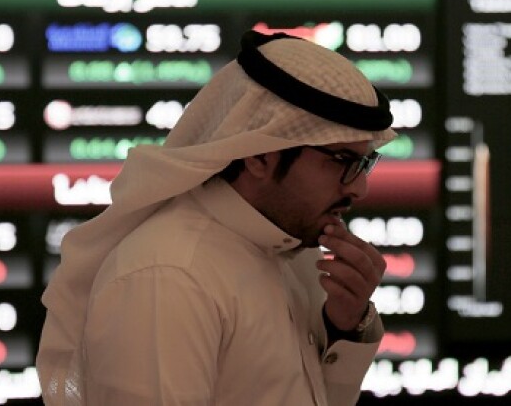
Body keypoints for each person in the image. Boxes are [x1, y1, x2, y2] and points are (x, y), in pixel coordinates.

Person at [36, 30, 397, 406]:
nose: (360, 189)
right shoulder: (169, 275)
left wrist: (344, 326)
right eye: (341, 162)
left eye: (364, 163)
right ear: (259, 154)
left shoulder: (292, 253)